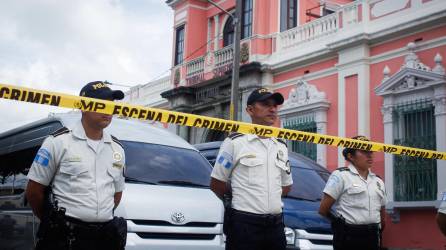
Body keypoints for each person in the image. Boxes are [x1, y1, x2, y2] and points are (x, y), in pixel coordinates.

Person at [25, 81, 127, 250]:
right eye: (102, 104)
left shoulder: (118, 149)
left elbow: (116, 195)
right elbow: (34, 191)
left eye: (111, 104)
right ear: (84, 106)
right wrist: (54, 223)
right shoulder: (58, 142)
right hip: (66, 237)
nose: (108, 109)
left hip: (104, 239)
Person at [210, 88, 293, 250]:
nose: (272, 109)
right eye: (265, 104)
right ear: (250, 110)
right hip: (245, 226)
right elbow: (216, 183)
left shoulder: (281, 146)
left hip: (275, 226)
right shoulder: (234, 142)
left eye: (275, 105)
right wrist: (241, 195)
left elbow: (286, 186)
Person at [319, 135, 386, 250]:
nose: (369, 155)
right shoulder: (340, 176)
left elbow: (382, 213)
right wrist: (340, 224)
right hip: (349, 237)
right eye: (364, 151)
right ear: (351, 156)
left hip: (373, 237)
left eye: (371, 151)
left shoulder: (378, 181)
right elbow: (323, 209)